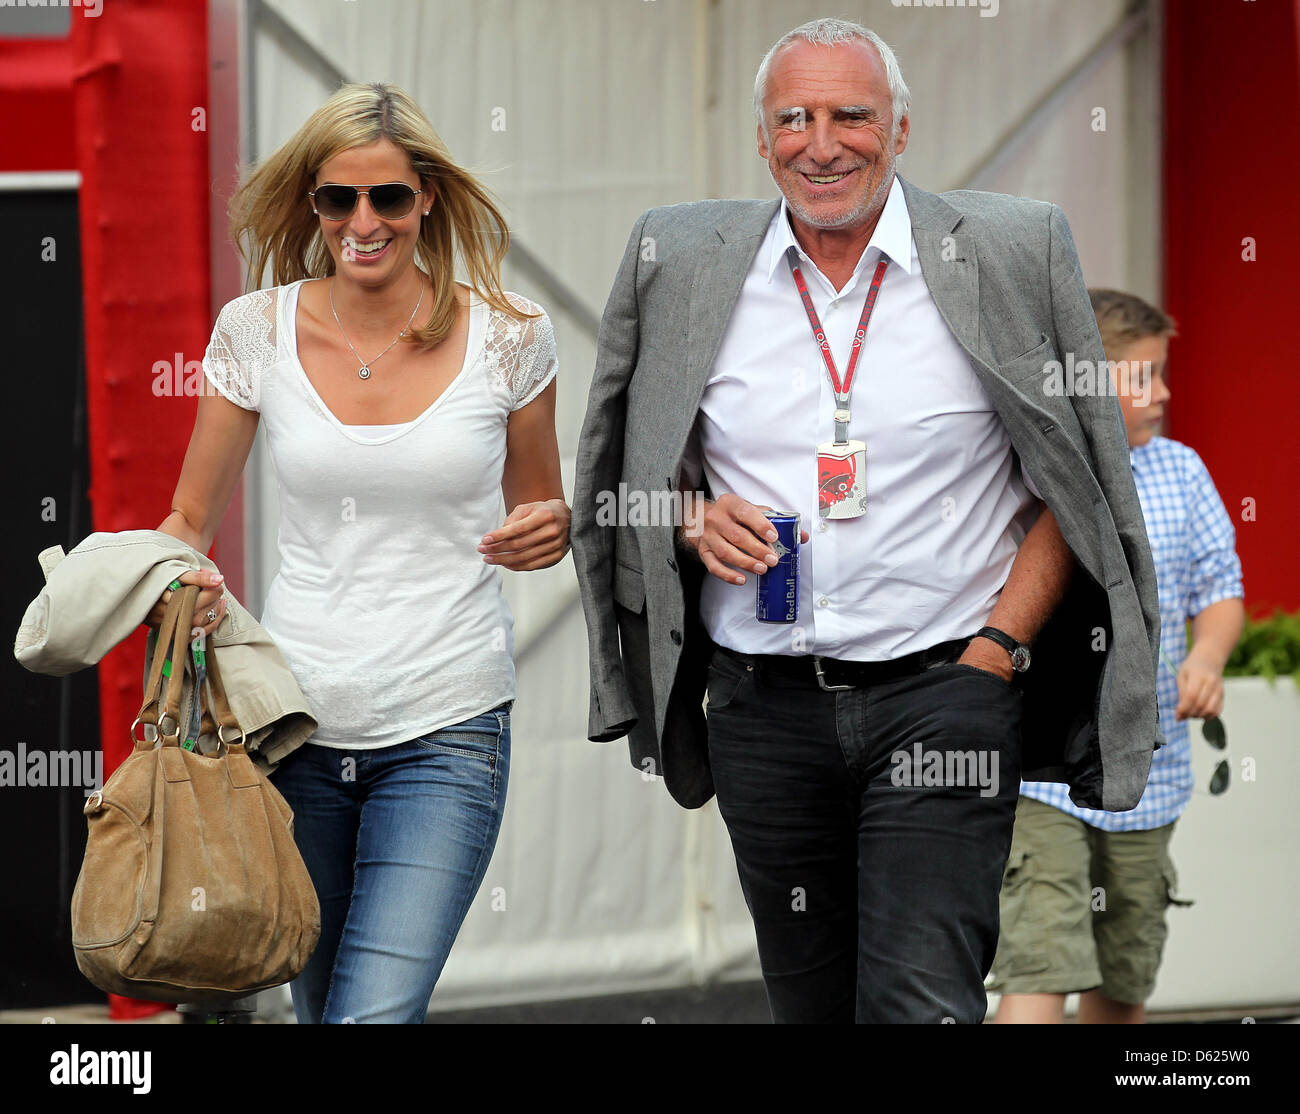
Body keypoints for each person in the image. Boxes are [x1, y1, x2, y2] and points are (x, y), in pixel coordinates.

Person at [571, 18, 1161, 1023]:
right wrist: (687, 518)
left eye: (851, 115)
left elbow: (1080, 484)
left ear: (899, 129)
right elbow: (620, 464)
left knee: (920, 999)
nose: (822, 141)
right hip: (760, 705)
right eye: (793, 118)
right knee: (811, 1003)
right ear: (761, 139)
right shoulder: (678, 258)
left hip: (947, 692)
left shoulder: (1014, 249)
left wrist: (997, 649)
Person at [143, 82, 571, 1023]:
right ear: (314, 205)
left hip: (449, 724)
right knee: (318, 1010)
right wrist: (175, 579)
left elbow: (539, 511)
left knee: (370, 1014)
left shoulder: (512, 337)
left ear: (427, 198)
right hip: (294, 727)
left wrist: (553, 529)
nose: (363, 221)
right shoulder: (254, 332)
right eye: (339, 199)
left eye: (387, 198)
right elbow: (188, 519)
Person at [990, 289, 1245, 1024]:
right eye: (1144, 377)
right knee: (1040, 959)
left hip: (1151, 775)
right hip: (1043, 774)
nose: (1164, 393)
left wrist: (1209, 658)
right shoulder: (1029, 471)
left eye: (1164, 374)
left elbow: (1220, 588)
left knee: (1124, 975)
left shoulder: (1184, 472)